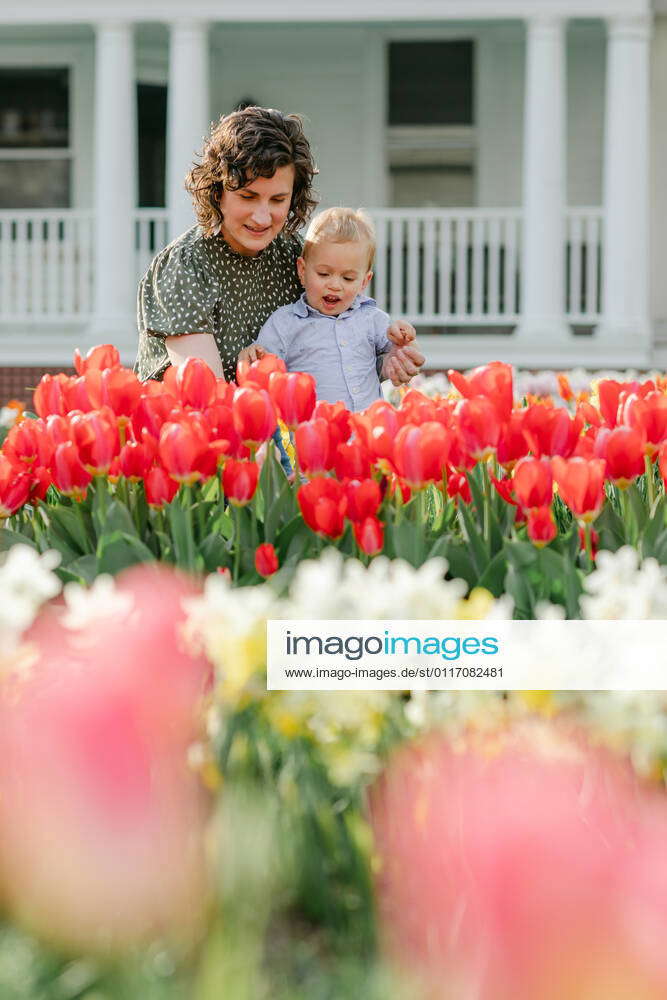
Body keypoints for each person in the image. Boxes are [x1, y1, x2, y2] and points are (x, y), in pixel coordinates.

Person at [134, 106, 424, 388]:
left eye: (277, 200)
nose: (262, 217)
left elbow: (331, 347)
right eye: (248, 196)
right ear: (218, 191)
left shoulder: (295, 254)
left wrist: (387, 361)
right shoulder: (186, 264)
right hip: (196, 429)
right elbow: (207, 394)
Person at [240, 207, 415, 412]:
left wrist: (402, 344)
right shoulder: (285, 322)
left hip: (366, 431)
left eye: (348, 278)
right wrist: (252, 356)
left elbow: (396, 354)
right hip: (314, 433)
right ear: (302, 271)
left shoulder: (372, 319)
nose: (334, 285)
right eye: (323, 274)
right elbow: (265, 368)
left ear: (364, 282)